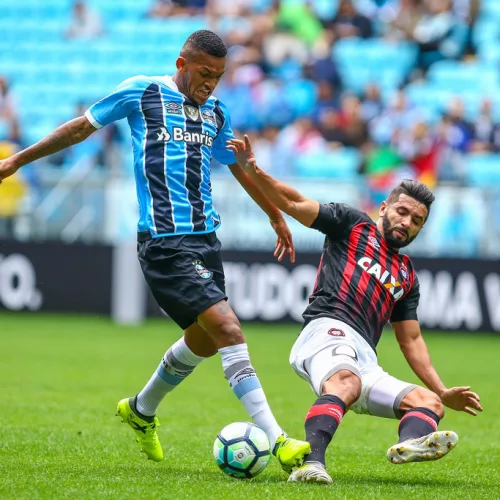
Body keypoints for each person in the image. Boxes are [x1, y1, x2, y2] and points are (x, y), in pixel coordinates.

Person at [0, 30, 310, 473]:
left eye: (219, 77)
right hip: (165, 243)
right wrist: (15, 161)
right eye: (204, 74)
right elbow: (78, 129)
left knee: (203, 340)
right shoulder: (142, 91)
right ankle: (278, 440)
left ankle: (141, 411)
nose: (211, 84)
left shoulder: (216, 112)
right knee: (228, 328)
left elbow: (237, 166)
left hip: (207, 240)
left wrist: (273, 214)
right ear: (182, 64)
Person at [227, 135, 483, 484]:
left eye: (417, 220)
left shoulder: (407, 275)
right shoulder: (352, 224)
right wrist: (254, 171)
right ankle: (310, 464)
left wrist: (441, 391)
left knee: (428, 404)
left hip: (365, 358)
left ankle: (409, 443)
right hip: (325, 331)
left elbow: (412, 340)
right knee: (345, 381)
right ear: (384, 208)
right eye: (402, 211)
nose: (407, 222)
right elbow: (296, 202)